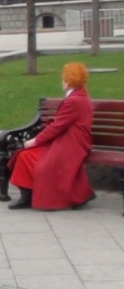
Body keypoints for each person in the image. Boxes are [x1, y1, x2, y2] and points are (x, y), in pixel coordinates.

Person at [7, 62, 96, 210]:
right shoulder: (78, 96)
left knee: (34, 160)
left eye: (64, 77)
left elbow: (57, 127)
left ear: (69, 80)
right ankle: (27, 194)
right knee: (26, 156)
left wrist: (35, 140)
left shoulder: (74, 100)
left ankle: (31, 195)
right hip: (69, 141)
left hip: (71, 144)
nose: (62, 80)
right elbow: (59, 125)